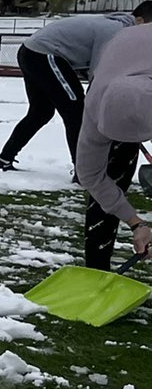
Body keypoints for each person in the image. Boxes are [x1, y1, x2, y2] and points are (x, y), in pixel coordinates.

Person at [0, 4, 152, 172]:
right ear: (139, 20)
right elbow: (99, 72)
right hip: (45, 55)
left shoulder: (119, 28)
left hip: (33, 53)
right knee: (77, 113)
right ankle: (84, 171)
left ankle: (3, 159)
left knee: (41, 112)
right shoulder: (116, 31)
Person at [73, 20, 152, 270]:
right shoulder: (94, 109)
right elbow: (90, 175)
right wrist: (136, 223)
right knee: (116, 168)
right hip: (120, 64)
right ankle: (97, 266)